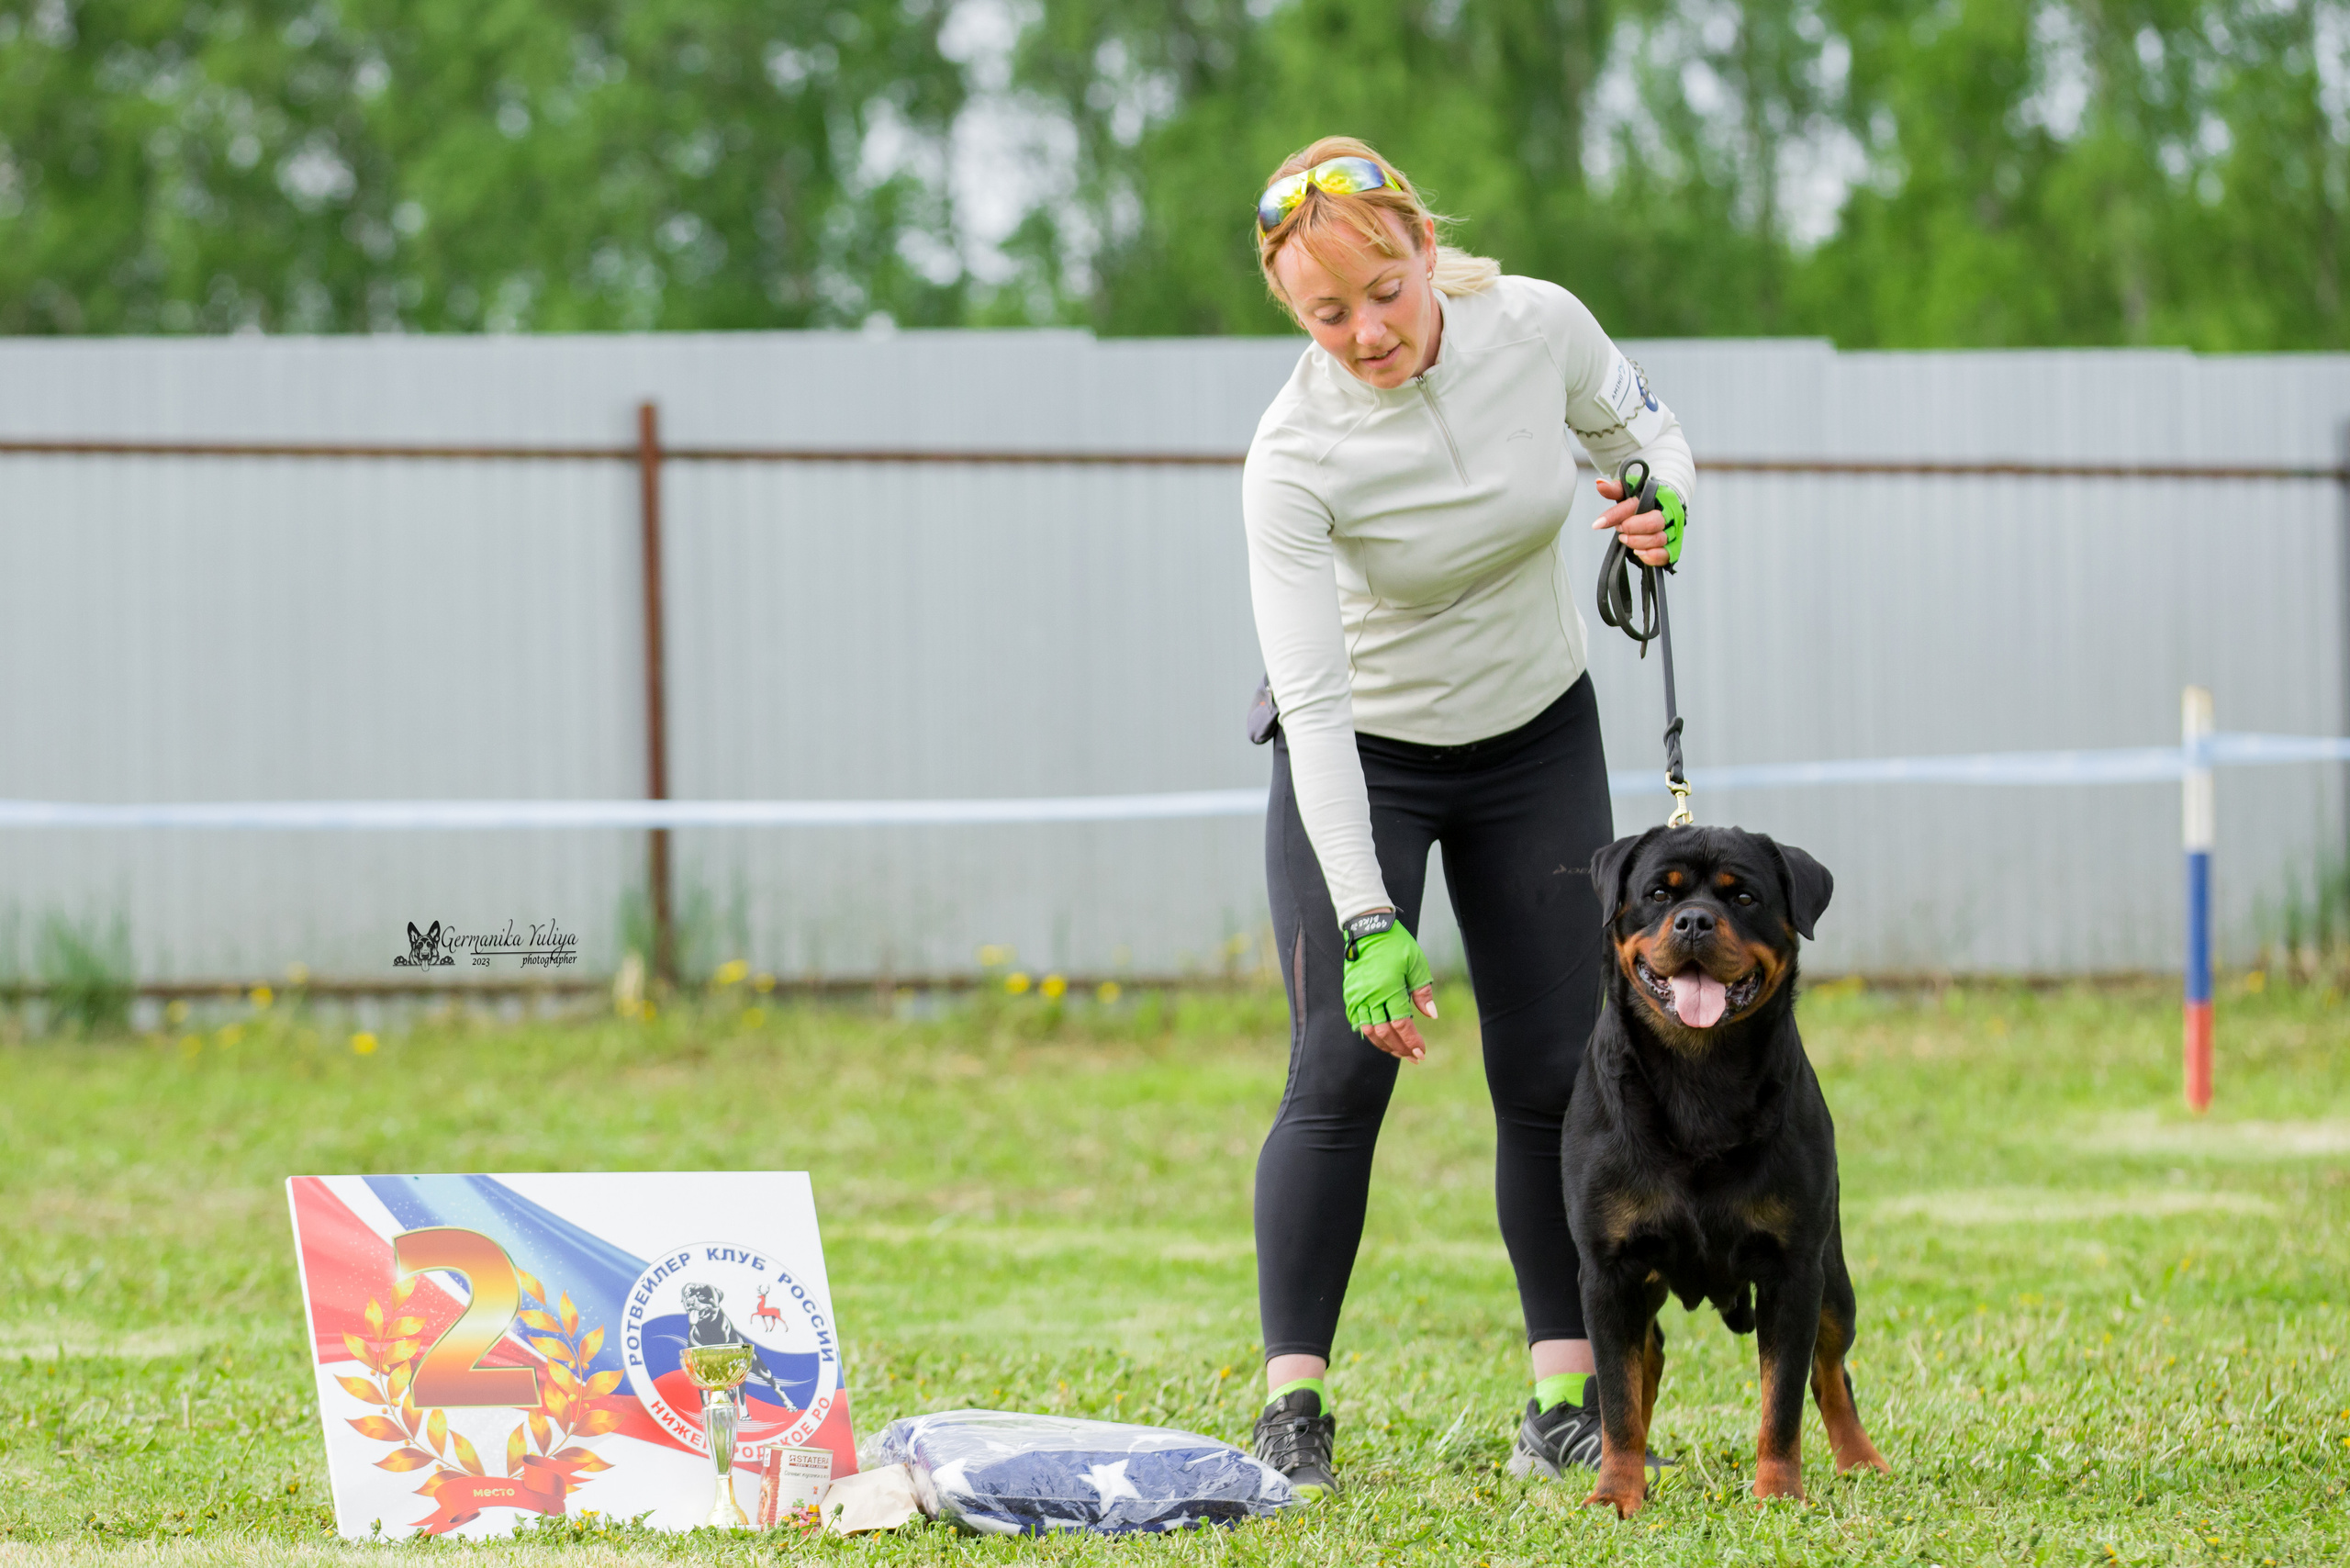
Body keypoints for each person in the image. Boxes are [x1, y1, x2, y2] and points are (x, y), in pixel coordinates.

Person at [1239, 136, 1693, 1497]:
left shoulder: (1536, 327)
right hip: (1365, 755)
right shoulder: (1292, 458)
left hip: (1535, 734)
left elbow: (1647, 435)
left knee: (1555, 1071)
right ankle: (1294, 1410)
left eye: (1385, 290)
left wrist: (1664, 502)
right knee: (1341, 1068)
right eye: (1329, 314)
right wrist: (1367, 918)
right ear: (1293, 313)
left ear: (1425, 248)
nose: (1368, 333)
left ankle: (1564, 1401)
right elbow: (1314, 706)